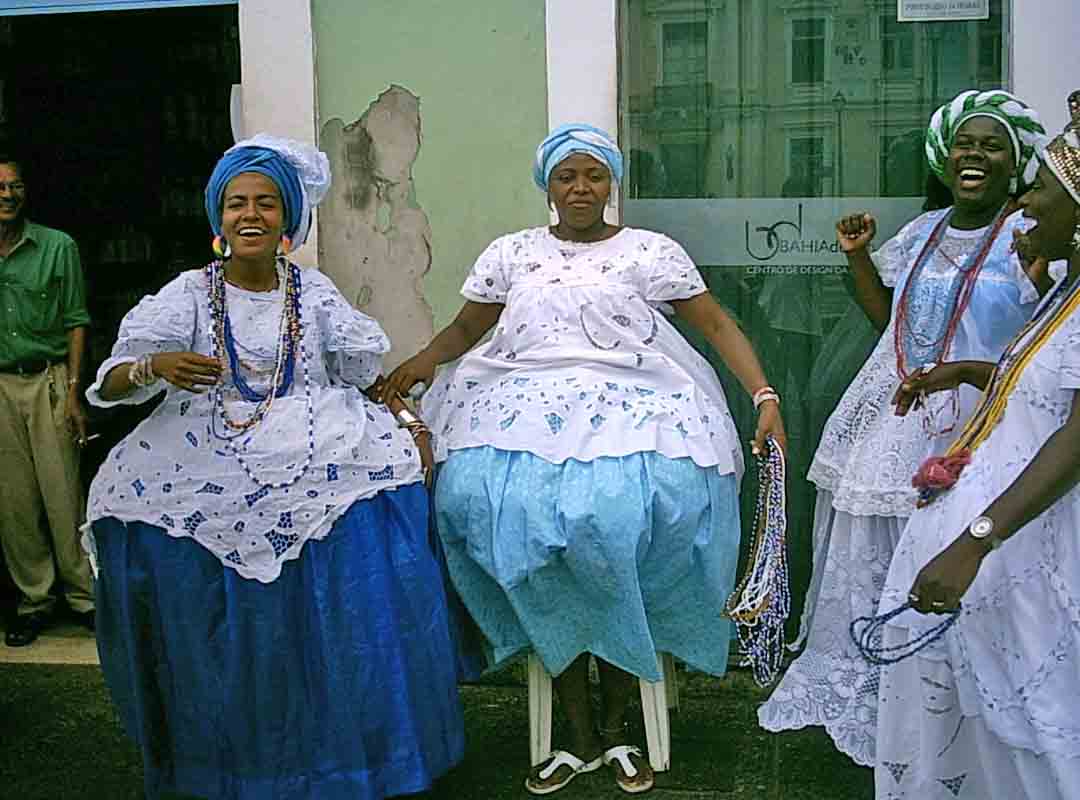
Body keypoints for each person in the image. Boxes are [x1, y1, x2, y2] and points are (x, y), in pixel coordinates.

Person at [381, 123, 786, 795]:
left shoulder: (649, 251)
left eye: (593, 175)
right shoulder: (512, 253)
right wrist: (426, 360)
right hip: (521, 407)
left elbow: (714, 322)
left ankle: (621, 722)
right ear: (547, 185)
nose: (580, 188)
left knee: (614, 525)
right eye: (566, 176)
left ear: (612, 183)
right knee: (504, 517)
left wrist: (763, 394)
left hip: (636, 402)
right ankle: (578, 729)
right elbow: (465, 327)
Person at [83, 135, 463, 800]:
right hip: (205, 439)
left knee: (364, 535)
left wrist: (386, 406)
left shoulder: (312, 292)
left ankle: (347, 757)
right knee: (139, 514)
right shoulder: (187, 295)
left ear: (288, 219)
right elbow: (112, 380)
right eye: (236, 203)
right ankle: (224, 760)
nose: (250, 215)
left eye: (265, 203)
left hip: (311, 433)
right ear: (217, 218)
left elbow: (356, 368)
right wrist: (155, 366)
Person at [758, 90, 1048, 765]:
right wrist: (857, 255)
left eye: (991, 145)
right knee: (876, 556)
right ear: (944, 158)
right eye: (964, 144)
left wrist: (1032, 283)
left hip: (981, 419)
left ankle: (951, 707)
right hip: (898, 413)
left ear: (1016, 163)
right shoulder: (922, 232)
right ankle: (878, 700)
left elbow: (1041, 331)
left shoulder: (1030, 234)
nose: (973, 155)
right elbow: (881, 315)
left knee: (958, 555)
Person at [871, 89, 1080, 800]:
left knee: (1041, 725)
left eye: (1042, 192)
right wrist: (965, 371)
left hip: (1029, 548)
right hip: (1002, 545)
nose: (1026, 206)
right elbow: (1039, 384)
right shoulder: (1065, 296)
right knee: (990, 727)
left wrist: (975, 539)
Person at [0, 146, 95, 647]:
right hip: (0, 384)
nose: (6, 194)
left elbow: (76, 321)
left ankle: (84, 597)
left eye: (14, 185)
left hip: (50, 379)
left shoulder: (58, 247)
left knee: (63, 492)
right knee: (13, 500)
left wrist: (75, 393)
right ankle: (34, 600)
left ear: (26, 191)